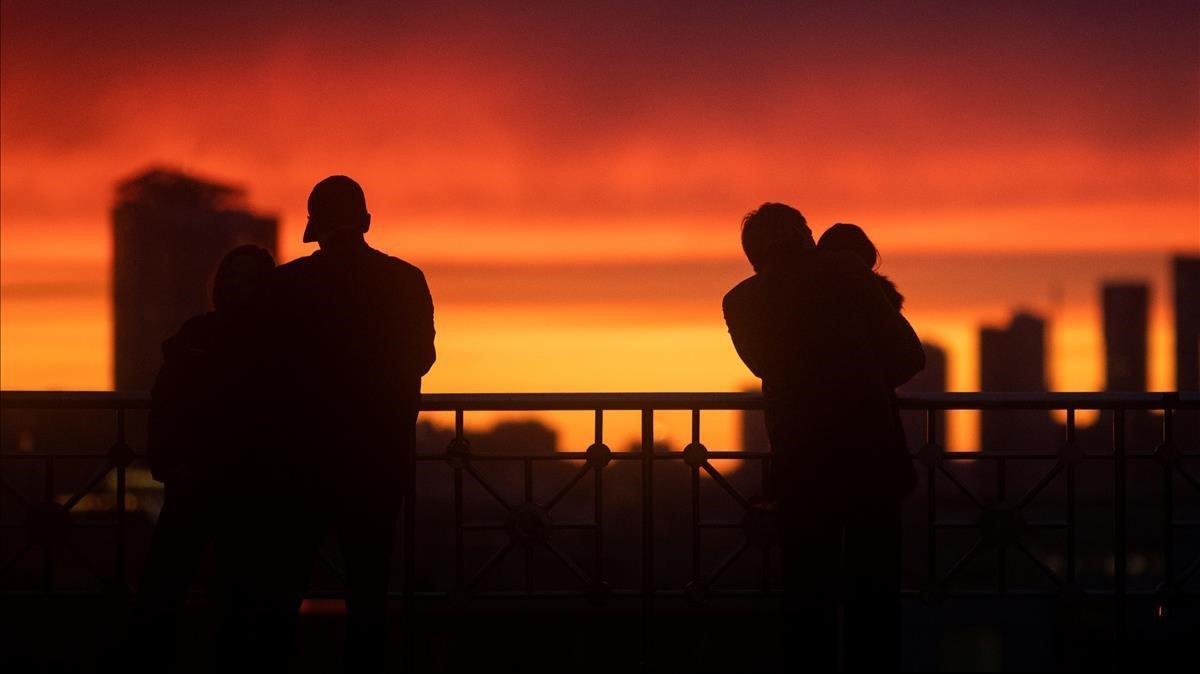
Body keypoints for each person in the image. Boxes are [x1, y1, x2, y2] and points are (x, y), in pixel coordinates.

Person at [722, 204, 923, 670]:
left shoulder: (741, 301)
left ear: (754, 256)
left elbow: (766, 368)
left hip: (801, 470)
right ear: (805, 234)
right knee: (873, 604)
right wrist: (863, 375)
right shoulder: (846, 272)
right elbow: (910, 358)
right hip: (871, 461)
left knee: (805, 605)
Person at [251, 175, 436, 670]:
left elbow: (262, 366)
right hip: (377, 457)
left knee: (284, 585)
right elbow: (421, 357)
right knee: (369, 587)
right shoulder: (404, 280)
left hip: (301, 462)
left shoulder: (287, 285)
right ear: (366, 223)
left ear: (316, 228)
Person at [132, 244, 276, 666]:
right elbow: (166, 403)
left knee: (229, 594)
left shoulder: (274, 346)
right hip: (195, 481)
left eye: (246, 278)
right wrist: (169, 463)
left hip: (240, 487)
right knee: (166, 588)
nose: (235, 286)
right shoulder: (196, 336)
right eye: (230, 277)